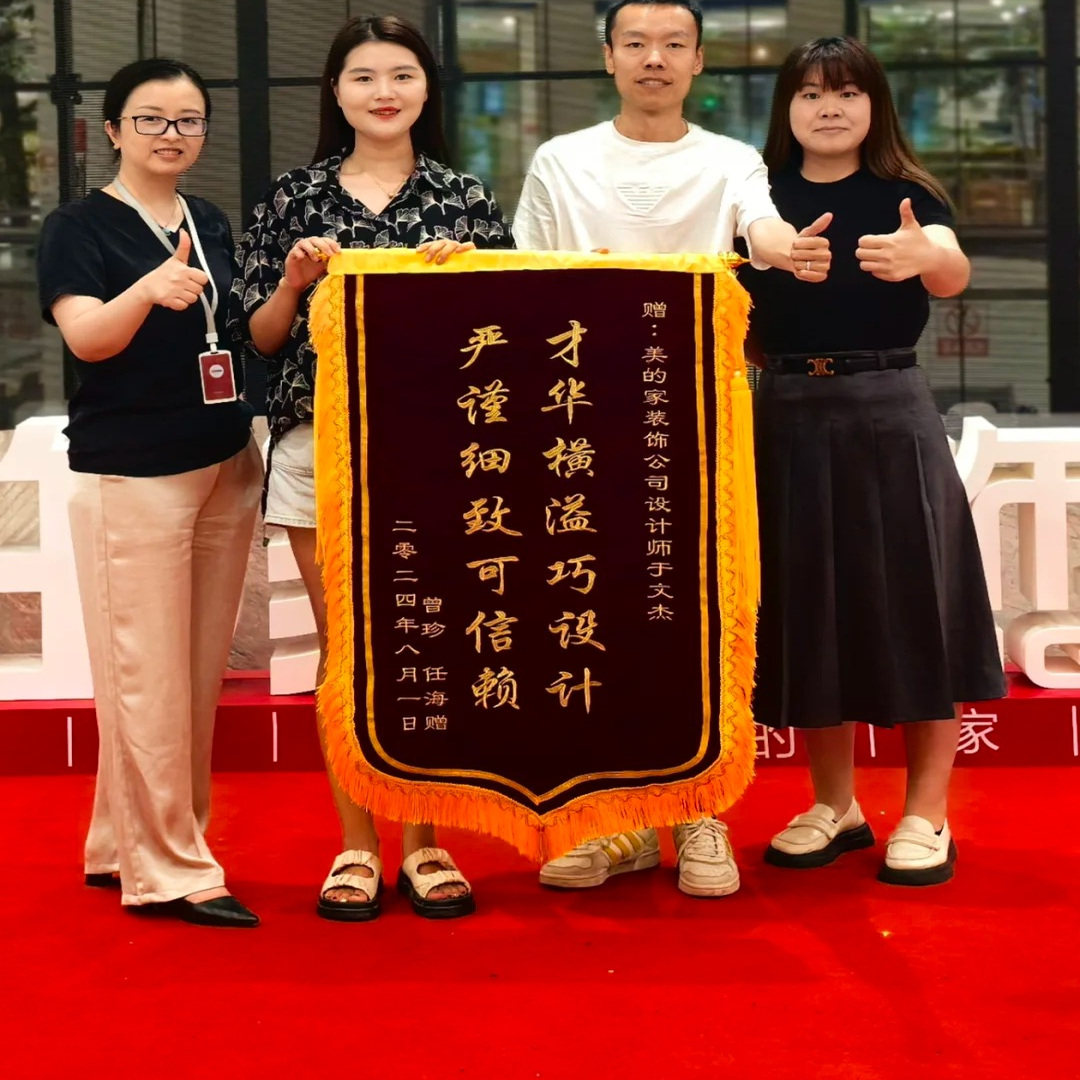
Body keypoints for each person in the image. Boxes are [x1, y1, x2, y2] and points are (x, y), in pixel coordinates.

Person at [512, 0, 831, 899]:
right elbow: (525, 271)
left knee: (703, 613)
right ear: (609, 57)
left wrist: (784, 251)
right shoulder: (561, 159)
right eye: (637, 44)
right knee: (598, 612)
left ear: (697, 62)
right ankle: (613, 823)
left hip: (699, 419)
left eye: (673, 45)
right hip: (582, 420)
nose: (654, 58)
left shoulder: (730, 160)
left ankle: (702, 813)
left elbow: (760, 227)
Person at [231, 14, 511, 921]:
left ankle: (424, 843)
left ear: (427, 88)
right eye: (363, 76)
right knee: (344, 646)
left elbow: (512, 334)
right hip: (319, 444)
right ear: (336, 92)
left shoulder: (463, 197)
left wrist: (469, 279)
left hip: (439, 449)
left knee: (424, 637)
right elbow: (260, 340)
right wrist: (292, 283)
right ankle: (356, 843)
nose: (383, 92)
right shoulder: (294, 197)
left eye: (401, 74)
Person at [741, 36, 1006, 885]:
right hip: (783, 413)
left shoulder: (908, 192)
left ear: (874, 105)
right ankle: (836, 805)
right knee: (810, 609)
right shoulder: (757, 198)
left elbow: (951, 270)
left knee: (917, 605)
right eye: (811, 93)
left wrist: (928, 257)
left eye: (848, 92)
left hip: (889, 410)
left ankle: (926, 813)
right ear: (786, 107)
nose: (829, 107)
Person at [37, 59, 263, 926]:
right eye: (153, 119)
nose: (173, 134)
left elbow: (231, 331)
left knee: (191, 678)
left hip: (222, 461)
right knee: (146, 680)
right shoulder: (78, 225)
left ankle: (120, 843)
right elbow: (87, 340)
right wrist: (145, 288)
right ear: (113, 129)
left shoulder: (205, 218)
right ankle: (168, 871)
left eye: (189, 120)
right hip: (135, 472)